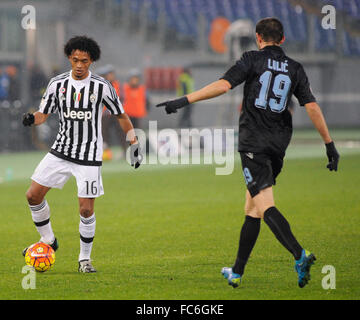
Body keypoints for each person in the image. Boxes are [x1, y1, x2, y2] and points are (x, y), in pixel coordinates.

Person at [157, 18, 340, 288]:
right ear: (283, 40)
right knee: (252, 208)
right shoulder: (295, 68)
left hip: (254, 143)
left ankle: (299, 254)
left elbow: (222, 85)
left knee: (265, 206)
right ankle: (237, 271)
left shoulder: (252, 59)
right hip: (278, 145)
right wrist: (329, 145)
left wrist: (184, 100)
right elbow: (311, 107)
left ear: (258, 38)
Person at [22, 36, 143, 273]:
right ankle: (48, 240)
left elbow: (121, 115)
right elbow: (43, 114)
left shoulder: (102, 86)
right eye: (75, 60)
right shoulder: (57, 84)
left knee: (86, 210)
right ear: (69, 58)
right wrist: (31, 118)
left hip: (88, 155)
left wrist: (134, 144)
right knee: (32, 196)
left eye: (84, 61)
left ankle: (84, 260)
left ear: (91, 61)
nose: (79, 65)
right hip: (60, 151)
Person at [96, 64, 123, 160]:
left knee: (120, 132)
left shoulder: (116, 84)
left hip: (115, 113)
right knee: (103, 133)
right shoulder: (99, 85)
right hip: (104, 114)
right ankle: (104, 152)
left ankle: (125, 151)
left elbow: (121, 98)